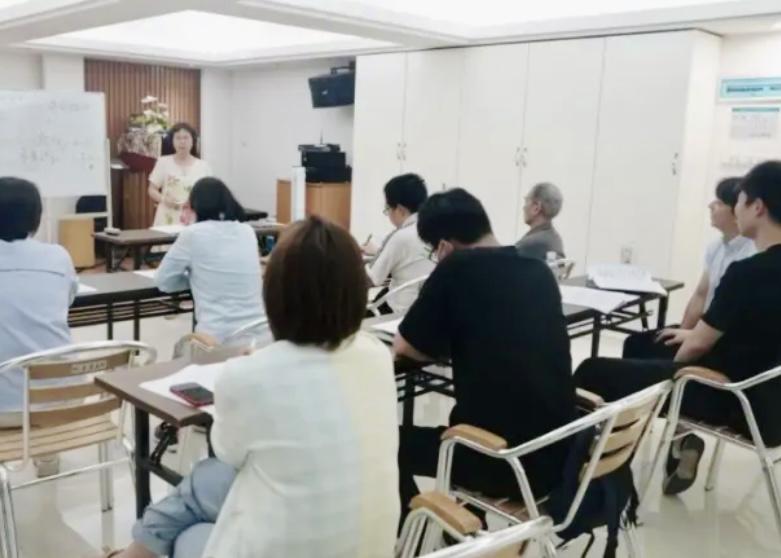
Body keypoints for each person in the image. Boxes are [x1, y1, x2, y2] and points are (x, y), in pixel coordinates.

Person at [111, 217, 399, 558]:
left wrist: (255, 365)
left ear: (275, 293)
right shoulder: (377, 353)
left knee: (188, 530)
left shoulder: (248, 374)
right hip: (370, 547)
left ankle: (132, 552)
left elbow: (228, 453)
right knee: (205, 483)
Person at [575, 160, 781, 496]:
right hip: (770, 398)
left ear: (757, 207)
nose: (735, 208)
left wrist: (669, 375)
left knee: (592, 371)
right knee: (649, 343)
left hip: (734, 399)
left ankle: (581, 479)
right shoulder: (752, 268)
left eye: (740, 201)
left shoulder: (748, 273)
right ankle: (649, 445)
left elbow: (696, 349)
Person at [393, 188, 575, 518]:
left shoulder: (456, 268)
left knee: (384, 443)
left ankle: (421, 538)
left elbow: (405, 347)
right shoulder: (539, 272)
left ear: (444, 246)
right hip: (559, 457)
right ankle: (455, 534)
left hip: (501, 461)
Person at [623, 177, 755, 360]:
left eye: (719, 202)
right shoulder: (716, 247)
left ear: (736, 212)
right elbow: (700, 295)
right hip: (704, 330)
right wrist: (684, 331)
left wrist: (692, 340)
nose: (711, 206)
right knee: (635, 343)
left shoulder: (750, 256)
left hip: (721, 340)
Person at [0, 177, 77, 475]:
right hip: (62, 401)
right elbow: (67, 301)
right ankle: (47, 454)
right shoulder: (58, 256)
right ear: (36, 216)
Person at [155, 177, 264, 343]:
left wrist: (195, 279)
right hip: (260, 335)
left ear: (196, 206)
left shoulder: (192, 234)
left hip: (216, 340)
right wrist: (201, 277)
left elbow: (163, 281)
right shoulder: (247, 232)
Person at [364, 173, 435, 314]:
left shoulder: (400, 237)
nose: (388, 214)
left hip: (398, 311)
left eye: (388, 209)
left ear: (400, 210)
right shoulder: (438, 229)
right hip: (430, 309)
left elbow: (373, 279)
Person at [148, 122, 212, 227]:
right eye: (178, 138)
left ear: (193, 141)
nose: (182, 142)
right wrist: (164, 199)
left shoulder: (204, 166)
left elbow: (210, 194)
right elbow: (151, 189)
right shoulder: (163, 162)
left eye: (186, 138)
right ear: (172, 141)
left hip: (193, 218)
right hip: (167, 216)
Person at [514, 182, 565, 261]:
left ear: (536, 208)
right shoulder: (555, 239)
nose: (523, 207)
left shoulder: (529, 245)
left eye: (526, 201)